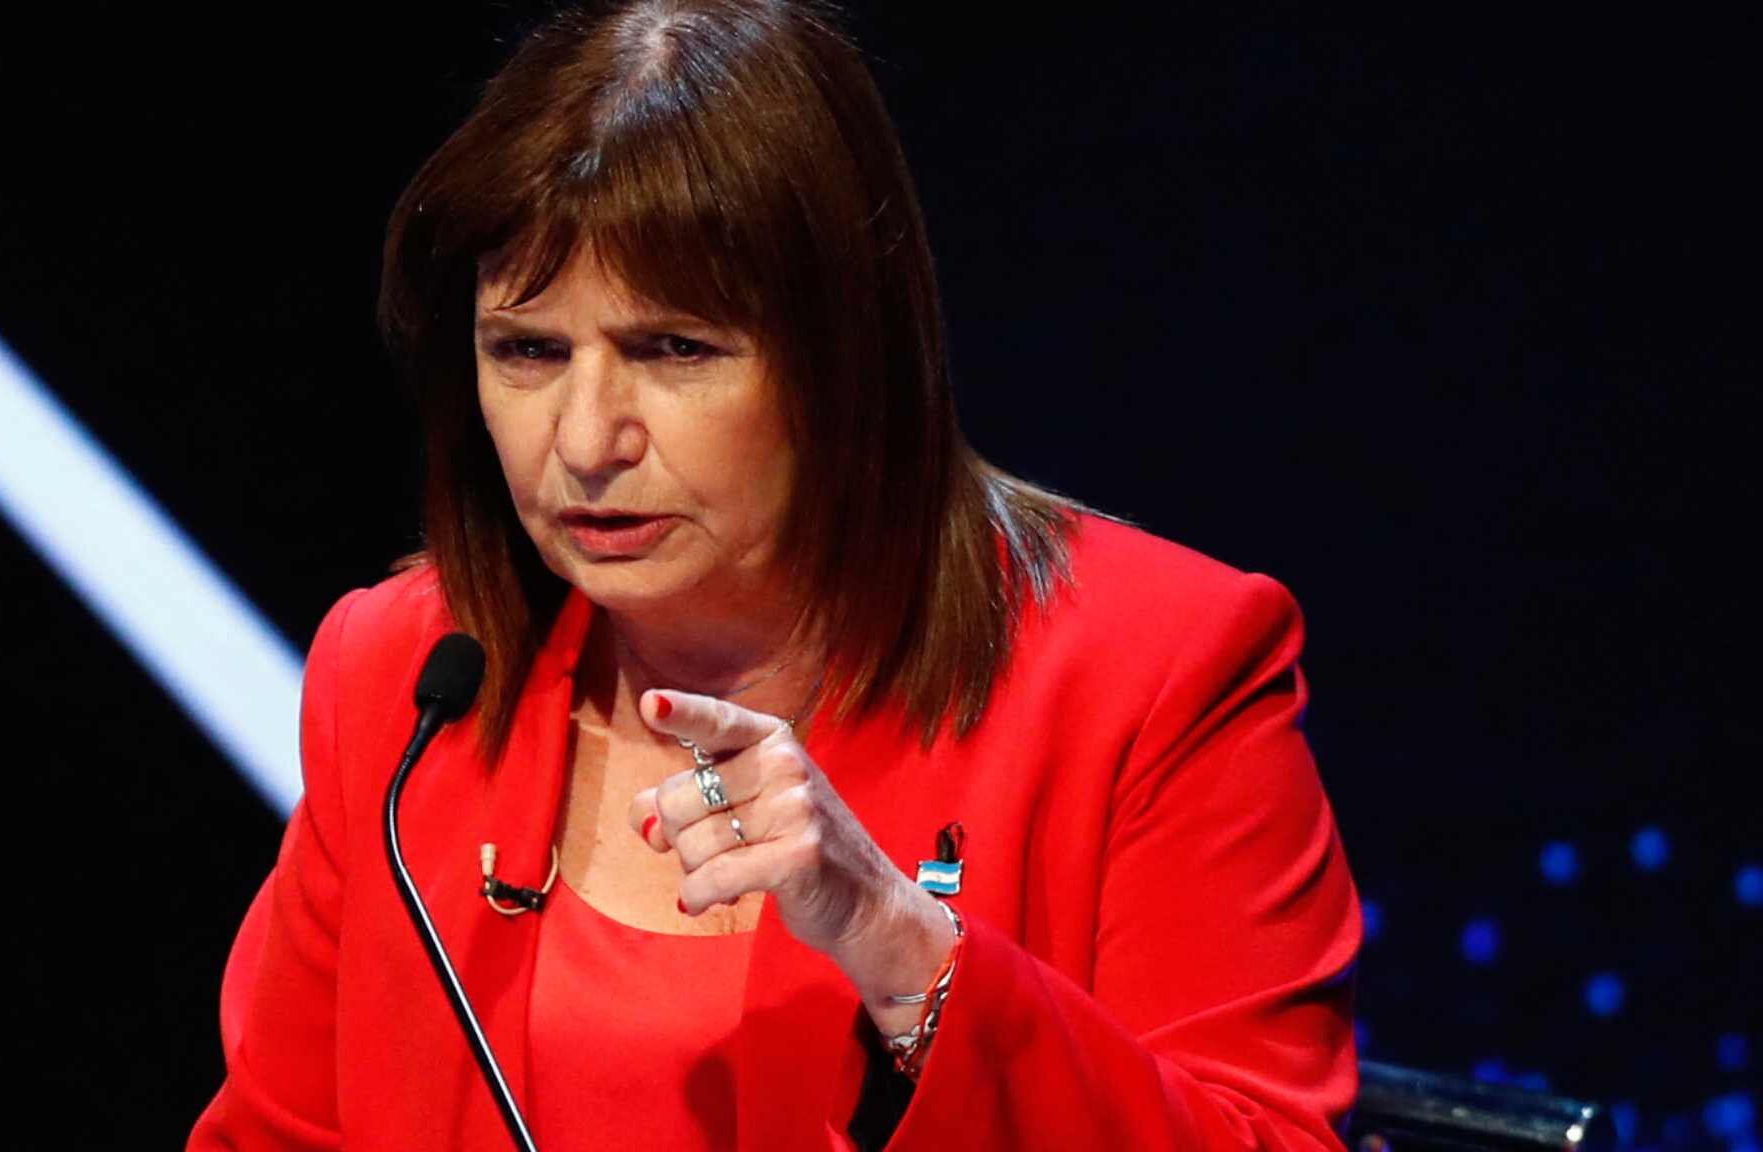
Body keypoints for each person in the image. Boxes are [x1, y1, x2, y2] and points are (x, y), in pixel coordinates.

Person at [190, 1, 1361, 1148]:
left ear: (845, 360)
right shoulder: (404, 674)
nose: (586, 440)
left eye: (674, 350)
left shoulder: (1154, 671)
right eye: (528, 351)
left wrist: (901, 951)